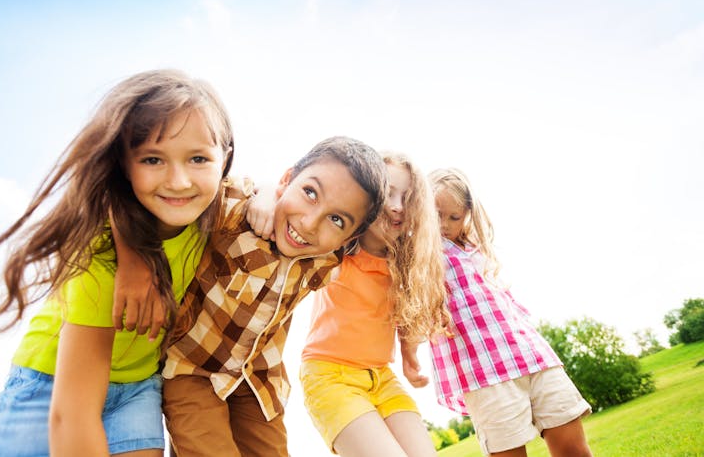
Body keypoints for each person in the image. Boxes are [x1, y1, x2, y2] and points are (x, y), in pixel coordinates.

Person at [0, 69, 235, 456]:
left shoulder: (218, 213)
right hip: (52, 385)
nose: (180, 180)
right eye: (153, 159)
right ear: (123, 164)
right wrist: (130, 257)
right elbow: (73, 415)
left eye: (198, 158)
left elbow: (262, 194)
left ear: (225, 159)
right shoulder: (97, 256)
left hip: (137, 388)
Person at [112, 136, 389, 456]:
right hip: (192, 369)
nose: (310, 224)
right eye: (310, 193)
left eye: (336, 219)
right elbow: (217, 183)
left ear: (348, 238)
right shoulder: (237, 213)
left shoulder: (326, 261)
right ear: (288, 179)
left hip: (257, 380)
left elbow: (391, 237)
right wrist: (266, 190)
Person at [247, 152, 449, 456]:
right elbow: (284, 199)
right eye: (389, 193)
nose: (397, 206)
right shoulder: (335, 252)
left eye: (408, 198)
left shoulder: (405, 265)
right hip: (331, 378)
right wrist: (264, 193)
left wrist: (409, 357)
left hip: (381, 377)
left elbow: (403, 316)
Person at [426, 167, 593, 457]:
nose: (444, 225)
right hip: (483, 371)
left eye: (454, 217)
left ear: (467, 214)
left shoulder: (477, 248)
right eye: (436, 214)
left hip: (531, 355)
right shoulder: (422, 253)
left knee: (574, 448)